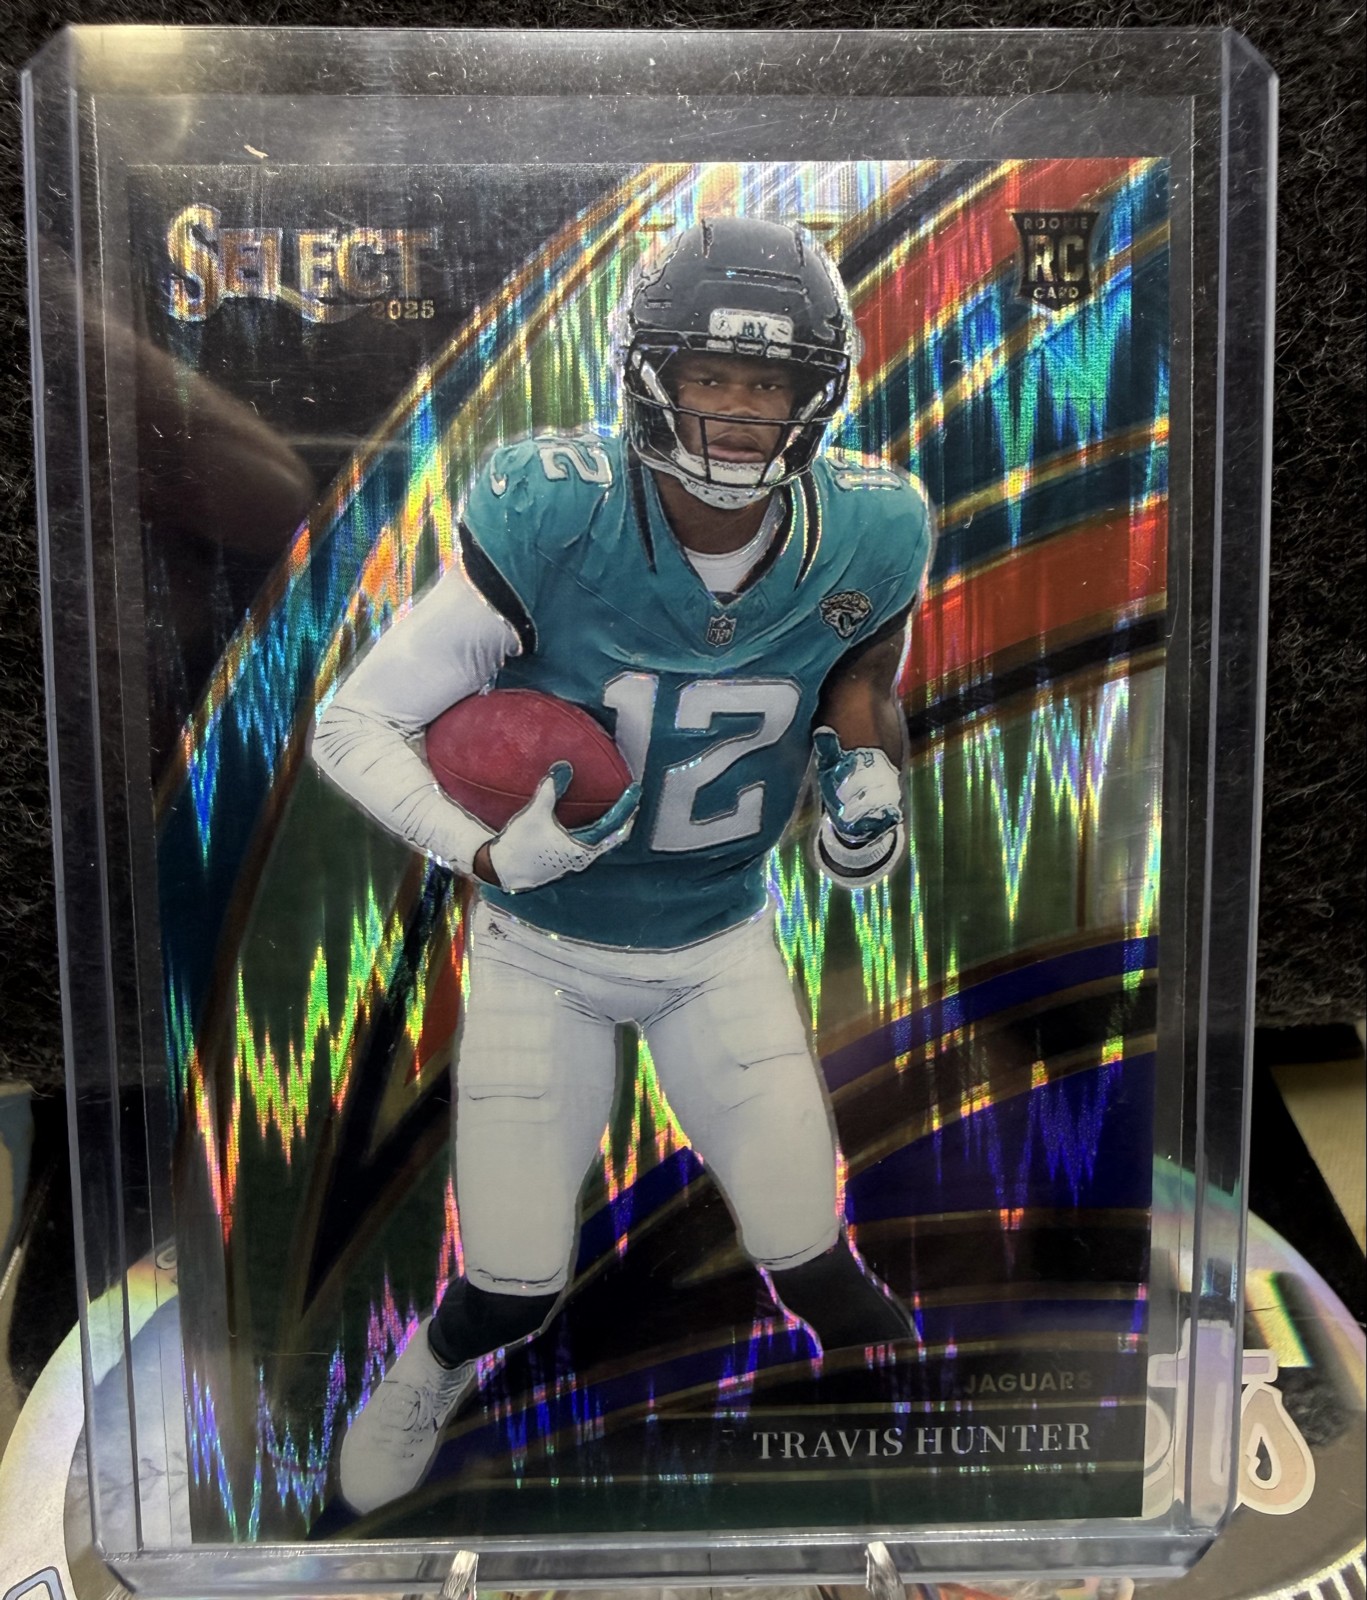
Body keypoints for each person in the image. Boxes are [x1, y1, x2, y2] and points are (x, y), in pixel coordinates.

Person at [312, 215, 935, 1515]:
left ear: (815, 395)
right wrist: (487, 852)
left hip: (717, 940)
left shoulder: (873, 527)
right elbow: (353, 721)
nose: (739, 411)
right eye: (711, 374)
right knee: (513, 1285)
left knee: (818, 1260)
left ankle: (942, 1440)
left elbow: (859, 682)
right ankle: (426, 1371)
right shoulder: (560, 512)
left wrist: (863, 792)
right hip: (545, 948)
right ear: (651, 375)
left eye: (768, 383)